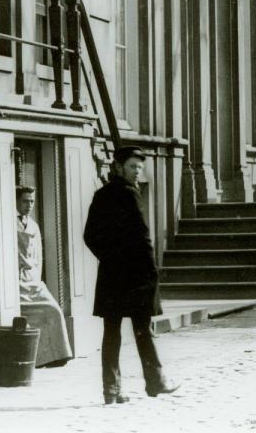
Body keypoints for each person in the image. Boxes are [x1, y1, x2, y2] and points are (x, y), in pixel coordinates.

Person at [83, 146, 179, 404]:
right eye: (132, 167)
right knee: (142, 329)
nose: (137, 172)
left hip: (112, 275)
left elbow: (90, 236)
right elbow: (142, 238)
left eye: (139, 167)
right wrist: (151, 272)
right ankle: (156, 382)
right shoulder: (131, 195)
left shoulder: (101, 195)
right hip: (136, 275)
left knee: (111, 331)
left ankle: (110, 391)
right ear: (118, 166)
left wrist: (110, 258)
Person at [16, 186, 72, 368]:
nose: (29, 205)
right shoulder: (8, 222)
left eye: (31, 201)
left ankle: (57, 355)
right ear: (17, 201)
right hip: (16, 282)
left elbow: (38, 257)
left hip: (32, 280)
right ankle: (39, 359)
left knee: (54, 309)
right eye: (25, 201)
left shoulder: (33, 225)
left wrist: (36, 279)